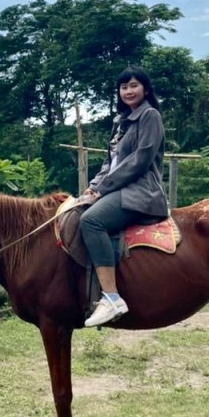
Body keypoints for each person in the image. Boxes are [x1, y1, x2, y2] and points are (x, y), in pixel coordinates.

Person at [79, 66, 168, 328]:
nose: (128, 91)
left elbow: (139, 161)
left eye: (134, 85)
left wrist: (103, 189)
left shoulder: (150, 116)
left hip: (141, 191)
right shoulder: (120, 121)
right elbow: (111, 163)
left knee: (91, 221)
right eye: (124, 86)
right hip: (117, 188)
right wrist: (93, 186)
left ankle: (111, 297)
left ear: (146, 89)